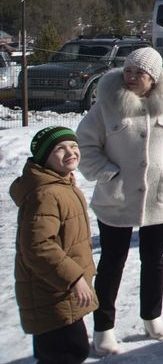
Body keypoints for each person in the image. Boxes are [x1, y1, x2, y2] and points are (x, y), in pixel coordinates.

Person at [75, 47, 163, 356]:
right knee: (111, 263)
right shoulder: (106, 106)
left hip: (159, 199)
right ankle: (103, 328)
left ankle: (152, 316)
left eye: (138, 73)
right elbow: (86, 144)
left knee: (154, 260)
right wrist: (106, 173)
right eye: (128, 71)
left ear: (154, 79)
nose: (130, 77)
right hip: (115, 199)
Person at [11, 126, 98, 364]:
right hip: (52, 292)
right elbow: (38, 246)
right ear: (44, 158)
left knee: (67, 351)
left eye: (73, 146)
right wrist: (74, 278)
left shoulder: (62, 184)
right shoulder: (46, 194)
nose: (70, 152)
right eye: (59, 149)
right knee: (67, 353)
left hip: (59, 291)